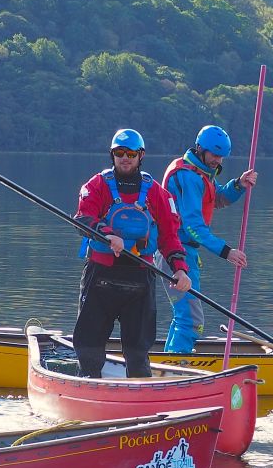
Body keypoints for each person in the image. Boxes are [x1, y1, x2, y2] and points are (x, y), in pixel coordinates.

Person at [73, 128, 191, 378]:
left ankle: (140, 391)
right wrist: (106, 234)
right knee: (89, 346)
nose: (125, 158)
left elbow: (170, 236)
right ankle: (89, 384)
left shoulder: (157, 193)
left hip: (139, 279)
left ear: (141, 155)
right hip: (101, 276)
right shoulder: (97, 185)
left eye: (131, 153)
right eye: (119, 153)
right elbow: (83, 218)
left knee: (138, 353)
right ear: (112, 155)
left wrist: (180, 270)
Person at [156, 125, 257, 353]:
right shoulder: (187, 176)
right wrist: (226, 251)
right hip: (175, 254)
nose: (218, 161)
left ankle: (171, 359)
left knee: (184, 317)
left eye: (221, 157)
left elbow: (217, 198)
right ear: (200, 149)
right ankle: (177, 366)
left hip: (186, 253)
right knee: (191, 320)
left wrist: (239, 185)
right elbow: (193, 227)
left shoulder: (200, 173)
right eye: (214, 155)